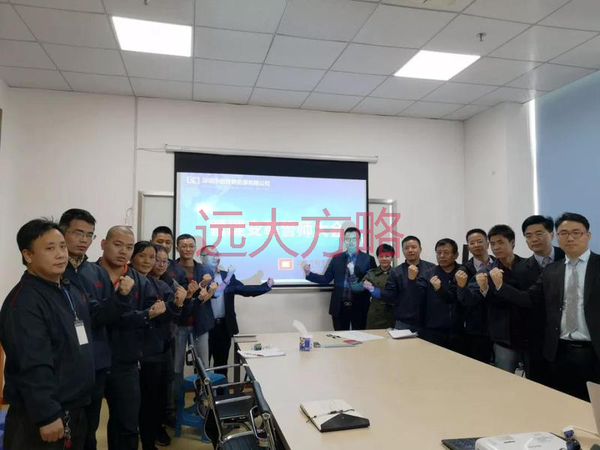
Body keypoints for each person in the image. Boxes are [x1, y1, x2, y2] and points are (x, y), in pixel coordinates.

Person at [0, 219, 94, 450]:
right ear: (28, 255)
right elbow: (32, 363)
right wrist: (47, 414)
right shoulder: (24, 302)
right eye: (50, 248)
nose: (60, 254)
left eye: (62, 246)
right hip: (42, 417)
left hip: (75, 407)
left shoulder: (68, 288)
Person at [491, 213, 600, 401]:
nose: (570, 238)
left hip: (594, 351)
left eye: (576, 232)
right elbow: (529, 299)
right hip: (559, 351)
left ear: (588, 235)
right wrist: (500, 286)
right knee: (562, 401)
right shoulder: (552, 270)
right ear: (557, 236)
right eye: (564, 233)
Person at [59, 209, 129, 450]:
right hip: (65, 363)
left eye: (89, 235)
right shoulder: (55, 270)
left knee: (89, 427)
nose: (84, 240)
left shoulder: (97, 272)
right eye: (78, 233)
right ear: (62, 232)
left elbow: (105, 316)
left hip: (96, 362)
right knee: (65, 430)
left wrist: (121, 298)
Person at [98, 226, 167, 450]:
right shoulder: (89, 275)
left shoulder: (139, 279)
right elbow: (94, 316)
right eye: (118, 245)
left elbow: (152, 313)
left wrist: (151, 314)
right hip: (91, 362)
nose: (123, 251)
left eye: (128, 247)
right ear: (104, 244)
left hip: (125, 360)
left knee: (127, 424)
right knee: (85, 427)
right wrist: (142, 315)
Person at [130, 242, 186, 450]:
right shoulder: (126, 281)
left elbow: (169, 315)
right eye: (142, 256)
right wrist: (150, 314)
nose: (149, 261)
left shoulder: (160, 285)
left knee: (156, 401)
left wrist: (179, 303)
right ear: (132, 257)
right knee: (140, 405)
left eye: (152, 257)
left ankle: (150, 439)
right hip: (138, 354)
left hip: (160, 349)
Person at [462, 225, 533, 375]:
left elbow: (530, 298)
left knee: (536, 380)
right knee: (503, 379)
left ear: (512, 242)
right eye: (493, 244)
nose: (496, 247)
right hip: (503, 337)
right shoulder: (486, 272)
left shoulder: (528, 266)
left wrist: (500, 286)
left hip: (530, 334)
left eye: (501, 242)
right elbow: (470, 299)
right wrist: (482, 289)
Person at [200, 245, 274, 378]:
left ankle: (221, 390)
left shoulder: (226, 275)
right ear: (202, 259)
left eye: (217, 254)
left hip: (223, 327)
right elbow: (214, 293)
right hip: (204, 328)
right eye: (211, 255)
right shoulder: (198, 276)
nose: (215, 258)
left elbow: (243, 289)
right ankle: (202, 391)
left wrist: (265, 286)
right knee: (202, 366)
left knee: (221, 364)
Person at [521, 215, 565, 384]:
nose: (534, 239)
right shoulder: (520, 268)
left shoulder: (568, 257)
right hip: (537, 339)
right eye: (529, 235)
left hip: (568, 340)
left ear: (551, 234)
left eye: (539, 233)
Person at [304, 227, 376, 331]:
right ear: (344, 240)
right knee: (340, 337)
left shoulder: (368, 259)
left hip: (360, 306)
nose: (350, 242)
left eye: (354, 239)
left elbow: (373, 281)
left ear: (359, 240)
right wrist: (309, 274)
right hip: (340, 306)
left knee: (361, 337)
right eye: (348, 239)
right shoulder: (337, 258)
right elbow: (326, 279)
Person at [410, 238, 464, 353]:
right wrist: (412, 280)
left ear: (456, 255)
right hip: (434, 330)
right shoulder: (428, 274)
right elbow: (417, 297)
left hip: (460, 331)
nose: (442, 256)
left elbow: (457, 297)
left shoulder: (463, 272)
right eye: (439, 253)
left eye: (446, 252)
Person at [456, 229, 495, 363]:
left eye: (479, 241)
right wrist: (462, 287)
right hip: (477, 326)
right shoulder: (463, 270)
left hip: (500, 325)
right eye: (472, 243)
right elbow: (463, 299)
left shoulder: (499, 264)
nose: (476, 245)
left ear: (487, 244)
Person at [383, 235, 435, 332]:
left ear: (420, 249)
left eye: (413, 247)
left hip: (428, 321)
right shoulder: (396, 272)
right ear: (402, 251)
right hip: (404, 321)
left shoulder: (431, 268)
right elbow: (389, 296)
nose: (410, 250)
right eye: (406, 248)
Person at [360, 244, 395, 329]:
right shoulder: (371, 273)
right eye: (381, 256)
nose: (384, 259)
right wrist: (365, 283)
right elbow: (362, 284)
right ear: (377, 257)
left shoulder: (396, 273)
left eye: (387, 256)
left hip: (392, 312)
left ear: (392, 258)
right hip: (375, 313)